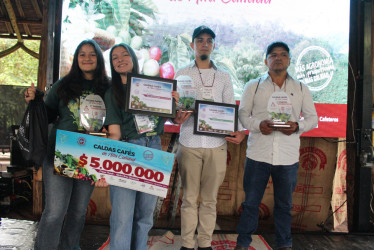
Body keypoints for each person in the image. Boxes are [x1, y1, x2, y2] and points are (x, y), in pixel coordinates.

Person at [24, 39, 110, 249]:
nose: (87, 58)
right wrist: (34, 100)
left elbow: (115, 120)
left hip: (89, 156)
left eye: (92, 54)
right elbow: (48, 114)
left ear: (98, 58)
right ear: (76, 59)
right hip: (59, 153)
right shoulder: (64, 84)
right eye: (82, 54)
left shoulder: (108, 87)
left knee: (78, 212)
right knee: (55, 211)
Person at [234, 41, 318, 250]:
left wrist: (297, 126)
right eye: (273, 55)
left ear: (289, 60)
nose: (278, 58)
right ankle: (243, 244)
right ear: (266, 61)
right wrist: (257, 125)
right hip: (258, 155)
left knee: (284, 206)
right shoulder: (252, 86)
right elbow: (243, 114)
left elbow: (313, 118)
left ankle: (284, 244)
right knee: (251, 204)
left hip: (287, 158)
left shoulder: (300, 88)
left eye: (282, 54)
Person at [173, 26, 245, 250]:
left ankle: (204, 243)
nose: (204, 44)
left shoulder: (223, 77)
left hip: (216, 145)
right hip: (189, 143)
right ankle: (187, 243)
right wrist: (176, 118)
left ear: (213, 46)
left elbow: (230, 108)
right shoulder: (181, 74)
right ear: (192, 45)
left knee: (210, 200)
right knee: (189, 199)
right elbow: (175, 111)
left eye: (208, 41)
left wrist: (240, 130)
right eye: (199, 40)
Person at [101, 43, 179, 250]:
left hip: (153, 148)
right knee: (122, 217)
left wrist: (173, 101)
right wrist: (105, 166)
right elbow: (114, 133)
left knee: (145, 216)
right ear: (112, 64)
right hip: (126, 150)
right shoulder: (112, 93)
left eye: (124, 55)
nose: (120, 59)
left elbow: (174, 118)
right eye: (115, 57)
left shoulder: (153, 85)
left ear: (133, 58)